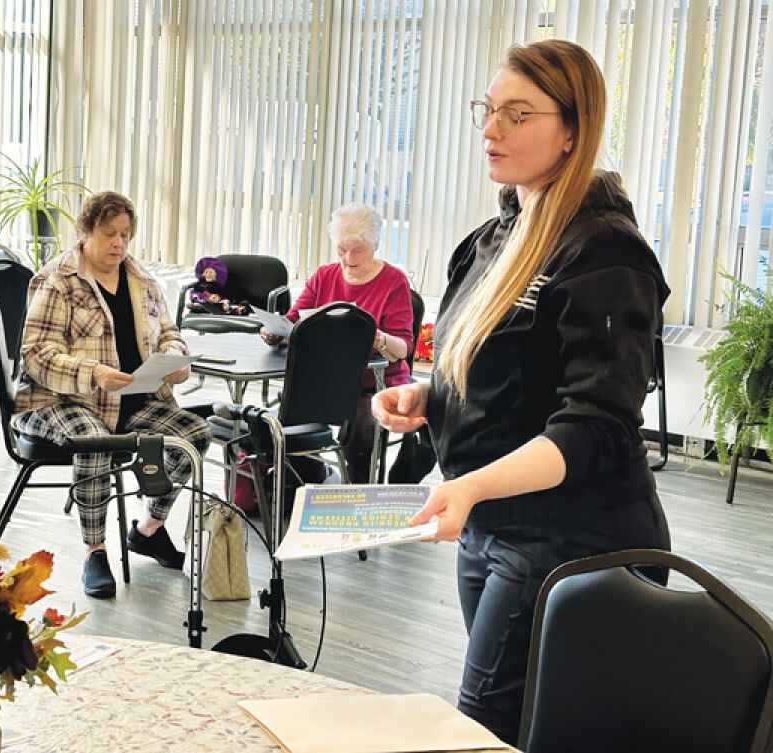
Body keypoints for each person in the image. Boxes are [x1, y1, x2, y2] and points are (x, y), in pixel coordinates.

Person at [372, 40, 670, 744]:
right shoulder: (494, 237)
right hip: (490, 524)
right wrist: (429, 395)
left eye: (516, 114)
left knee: (491, 728)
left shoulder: (605, 250)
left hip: (573, 537)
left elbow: (596, 423)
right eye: (488, 110)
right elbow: (503, 366)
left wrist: (471, 486)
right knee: (510, 727)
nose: (490, 130)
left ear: (572, 131)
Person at [13, 191, 211, 599]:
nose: (119, 243)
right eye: (109, 234)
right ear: (86, 232)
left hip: (130, 399)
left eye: (125, 234)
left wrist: (175, 357)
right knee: (95, 438)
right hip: (58, 400)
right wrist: (93, 373)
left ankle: (148, 530)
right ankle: (95, 551)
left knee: (195, 434)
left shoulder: (143, 281)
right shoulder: (59, 282)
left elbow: (170, 334)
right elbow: (35, 356)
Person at [260, 203, 414, 482]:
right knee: (288, 421)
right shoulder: (324, 276)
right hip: (325, 380)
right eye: (341, 249)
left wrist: (376, 337)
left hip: (373, 383)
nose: (347, 258)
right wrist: (276, 331)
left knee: (361, 428)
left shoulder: (394, 281)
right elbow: (294, 320)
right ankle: (310, 482)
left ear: (375, 245)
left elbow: (403, 347)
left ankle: (357, 499)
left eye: (357, 250)